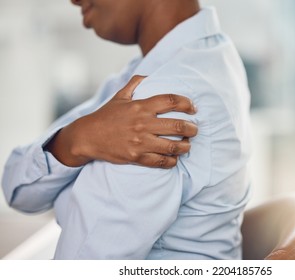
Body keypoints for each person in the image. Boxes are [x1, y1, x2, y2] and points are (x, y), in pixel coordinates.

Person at [1, 0, 252, 259]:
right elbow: (17, 187)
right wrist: (75, 139)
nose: (72, 0)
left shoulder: (162, 94)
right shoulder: (210, 55)